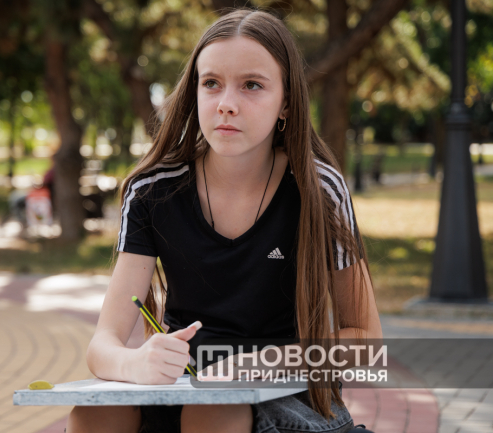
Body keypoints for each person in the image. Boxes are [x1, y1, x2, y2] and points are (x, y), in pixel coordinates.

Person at [66, 7, 382, 433]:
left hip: (286, 391)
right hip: (186, 386)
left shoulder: (318, 190)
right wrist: (136, 362)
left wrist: (262, 363)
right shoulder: (152, 190)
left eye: (252, 85)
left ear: (286, 103)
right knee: (94, 412)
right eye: (211, 83)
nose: (226, 105)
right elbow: (103, 345)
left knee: (215, 409)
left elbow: (365, 341)